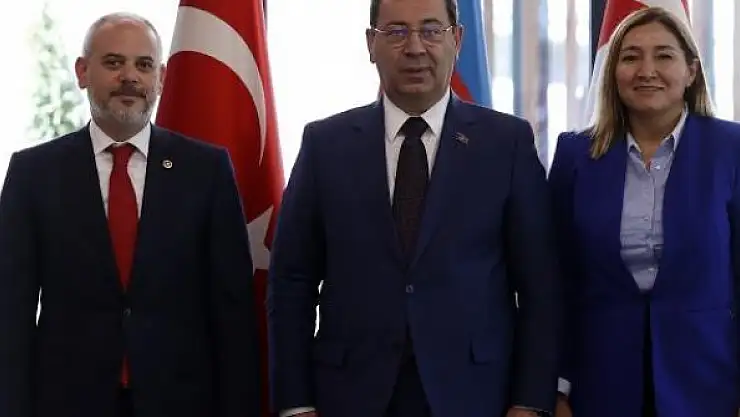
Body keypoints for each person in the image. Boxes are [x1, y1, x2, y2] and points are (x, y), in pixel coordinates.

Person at [267, 0, 561, 416]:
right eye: (396, 32)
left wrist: (529, 402)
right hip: (349, 394)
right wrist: (296, 404)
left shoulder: (506, 143)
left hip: (474, 394)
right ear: (371, 44)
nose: (415, 47)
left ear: (457, 39)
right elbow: (291, 281)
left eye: (431, 30)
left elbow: (540, 286)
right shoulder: (325, 145)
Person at [0, 12, 261, 417]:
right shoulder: (34, 173)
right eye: (113, 63)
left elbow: (233, 313)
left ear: (161, 77)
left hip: (182, 402)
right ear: (82, 72)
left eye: (143, 65)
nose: (129, 77)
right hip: (66, 402)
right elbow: (10, 313)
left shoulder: (206, 171)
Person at [549, 7, 740, 417]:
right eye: (631, 57)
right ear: (613, 72)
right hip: (600, 385)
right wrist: (556, 386)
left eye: (664, 56)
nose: (646, 70)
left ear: (691, 71)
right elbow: (556, 281)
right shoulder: (574, 155)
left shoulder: (731, 150)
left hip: (710, 384)